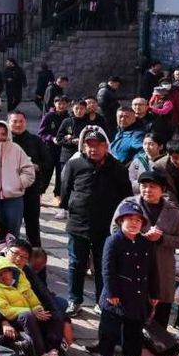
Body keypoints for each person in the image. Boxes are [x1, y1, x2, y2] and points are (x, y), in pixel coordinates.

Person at [62, 127, 133, 316]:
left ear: (106, 146)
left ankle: (102, 301)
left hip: (105, 225)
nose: (93, 149)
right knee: (76, 263)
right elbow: (65, 189)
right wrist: (70, 207)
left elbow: (125, 196)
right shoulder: (75, 164)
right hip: (78, 223)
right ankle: (74, 300)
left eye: (97, 145)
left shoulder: (117, 168)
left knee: (104, 264)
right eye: (89, 145)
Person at [88, 202, 157, 356]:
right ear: (120, 221)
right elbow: (107, 269)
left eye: (138, 220)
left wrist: (154, 292)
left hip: (138, 293)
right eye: (129, 219)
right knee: (110, 327)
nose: (134, 223)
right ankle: (106, 354)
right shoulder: (113, 241)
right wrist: (111, 292)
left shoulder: (145, 243)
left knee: (135, 328)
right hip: (117, 293)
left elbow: (152, 269)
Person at [112, 171, 179, 328]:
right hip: (133, 263)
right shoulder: (129, 204)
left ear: (163, 189)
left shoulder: (173, 212)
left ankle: (158, 340)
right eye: (144, 186)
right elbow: (114, 229)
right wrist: (139, 237)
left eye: (152, 186)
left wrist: (161, 238)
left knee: (160, 312)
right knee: (129, 311)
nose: (147, 190)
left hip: (161, 267)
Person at [0, 254, 67, 356]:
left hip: (31, 313)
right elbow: (6, 310)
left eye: (5, 272)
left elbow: (31, 296)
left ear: (11, 271)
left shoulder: (20, 280)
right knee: (27, 315)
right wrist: (31, 311)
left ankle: (52, 350)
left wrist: (38, 309)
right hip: (16, 319)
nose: (3, 276)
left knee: (55, 315)